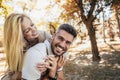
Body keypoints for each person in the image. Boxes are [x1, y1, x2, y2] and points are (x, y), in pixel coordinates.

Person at [3, 13, 52, 79]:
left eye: (32, 25)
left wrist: (49, 62)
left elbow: (60, 51)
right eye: (27, 30)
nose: (34, 30)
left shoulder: (45, 36)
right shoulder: (17, 52)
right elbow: (9, 75)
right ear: (19, 37)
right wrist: (22, 73)